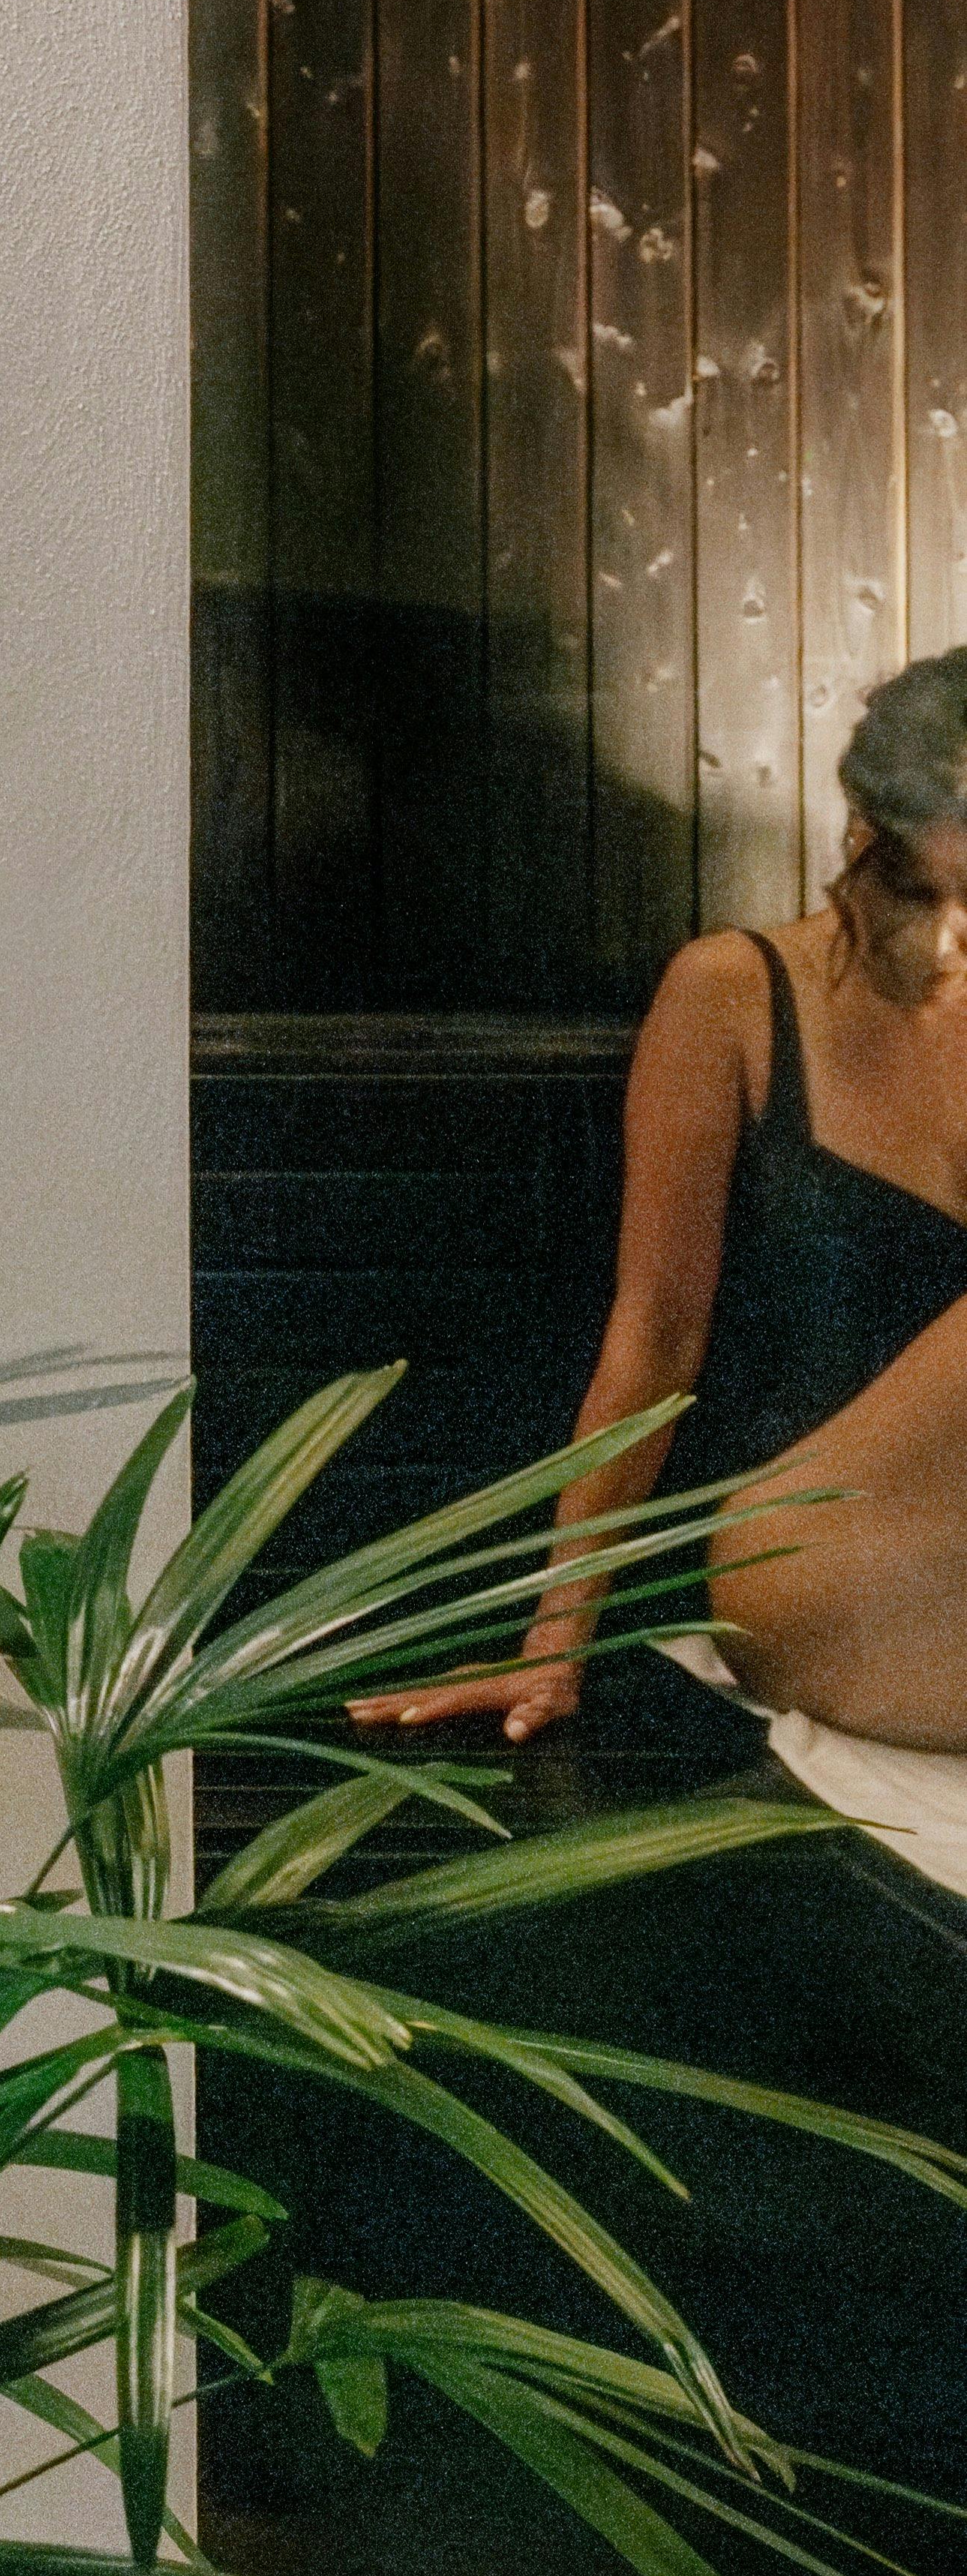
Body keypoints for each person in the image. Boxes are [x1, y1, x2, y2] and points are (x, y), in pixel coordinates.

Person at [356, 647, 967, 1758]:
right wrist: (556, 1642)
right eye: (929, 892)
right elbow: (656, 1336)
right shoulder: (734, 992)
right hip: (809, 1573)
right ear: (869, 844)